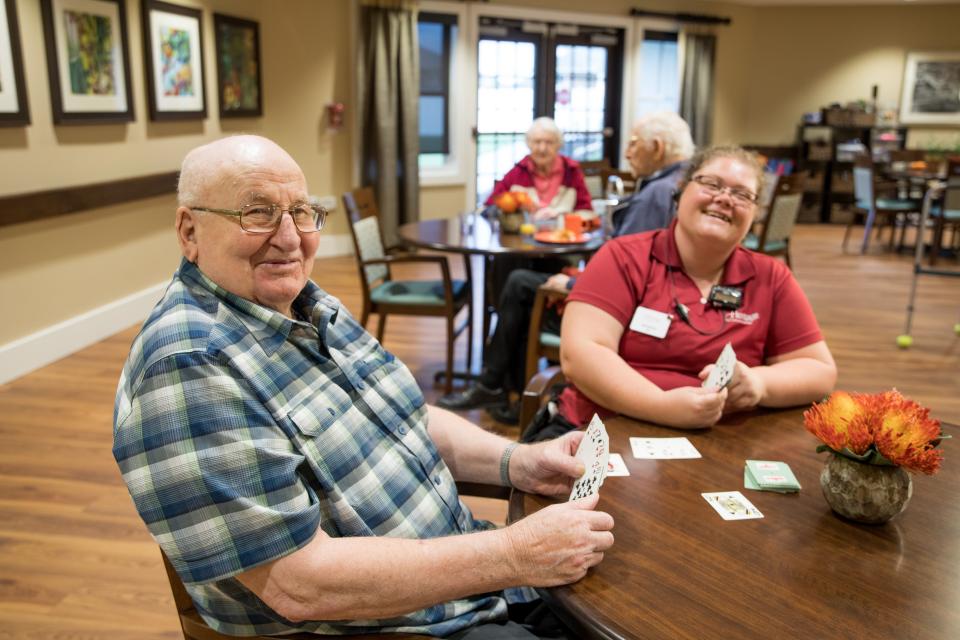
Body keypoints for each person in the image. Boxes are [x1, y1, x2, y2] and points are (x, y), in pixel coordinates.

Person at [112, 135, 614, 638]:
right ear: (189, 230)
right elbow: (299, 585)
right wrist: (512, 554)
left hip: (470, 584)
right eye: (258, 213)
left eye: (302, 212)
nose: (290, 238)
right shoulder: (188, 370)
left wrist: (517, 462)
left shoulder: (307, 304)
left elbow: (406, 416)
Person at [526, 145, 837, 439]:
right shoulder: (622, 257)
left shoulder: (771, 277)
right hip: (603, 431)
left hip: (725, 443)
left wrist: (760, 383)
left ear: (755, 214)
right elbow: (580, 355)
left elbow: (819, 371)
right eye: (711, 184)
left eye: (742, 194)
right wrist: (661, 406)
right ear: (680, 192)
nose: (725, 198)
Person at [439, 112, 695, 424]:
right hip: (652, 302)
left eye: (632, 143)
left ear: (656, 148)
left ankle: (495, 385)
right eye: (536, 142)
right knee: (518, 283)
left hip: (627, 312)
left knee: (520, 287)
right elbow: (495, 203)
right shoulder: (681, 184)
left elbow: (627, 272)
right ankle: (506, 391)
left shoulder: (653, 193)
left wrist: (574, 283)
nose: (626, 152)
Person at [485, 116, 593, 222]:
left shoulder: (572, 171)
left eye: (549, 142)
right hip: (524, 237)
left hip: (562, 237)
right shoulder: (518, 172)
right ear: (529, 144)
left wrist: (561, 218)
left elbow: (587, 213)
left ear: (558, 145)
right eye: (537, 142)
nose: (542, 149)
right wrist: (515, 207)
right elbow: (488, 209)